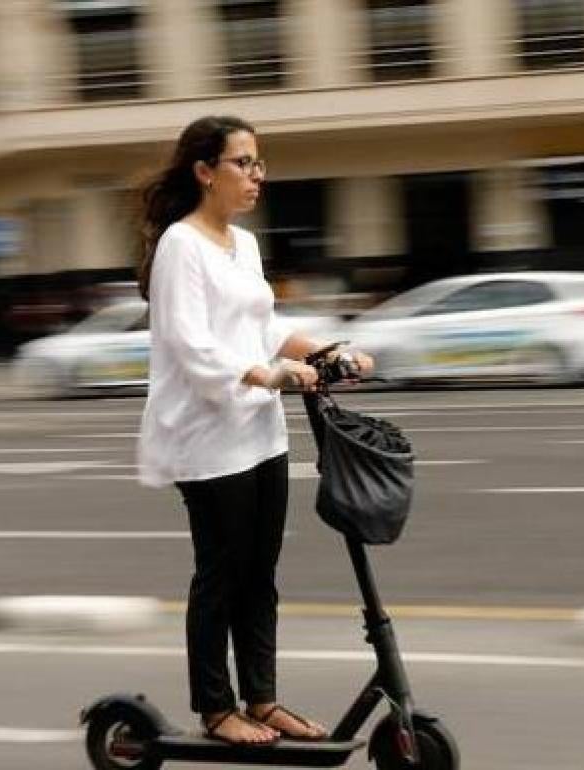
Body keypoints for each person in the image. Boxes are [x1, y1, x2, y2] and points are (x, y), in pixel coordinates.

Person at [135, 115, 373, 746]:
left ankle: (261, 700)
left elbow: (263, 329)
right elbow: (191, 346)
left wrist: (325, 351)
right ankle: (217, 710)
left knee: (259, 574)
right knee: (222, 573)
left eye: (260, 163)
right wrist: (269, 376)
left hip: (260, 436)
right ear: (205, 172)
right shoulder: (181, 246)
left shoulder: (242, 245)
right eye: (243, 163)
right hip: (207, 440)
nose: (256, 175)